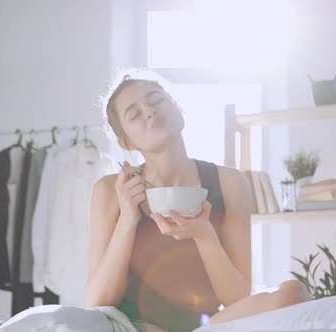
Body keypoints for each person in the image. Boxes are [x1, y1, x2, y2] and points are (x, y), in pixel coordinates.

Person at [85, 69, 312, 332]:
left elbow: (237, 299)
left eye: (156, 99)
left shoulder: (230, 182)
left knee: (293, 293)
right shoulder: (110, 190)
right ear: (126, 141)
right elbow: (98, 300)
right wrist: (128, 218)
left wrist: (205, 235)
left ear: (177, 109)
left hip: (204, 327)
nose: (149, 111)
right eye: (134, 114)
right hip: (135, 327)